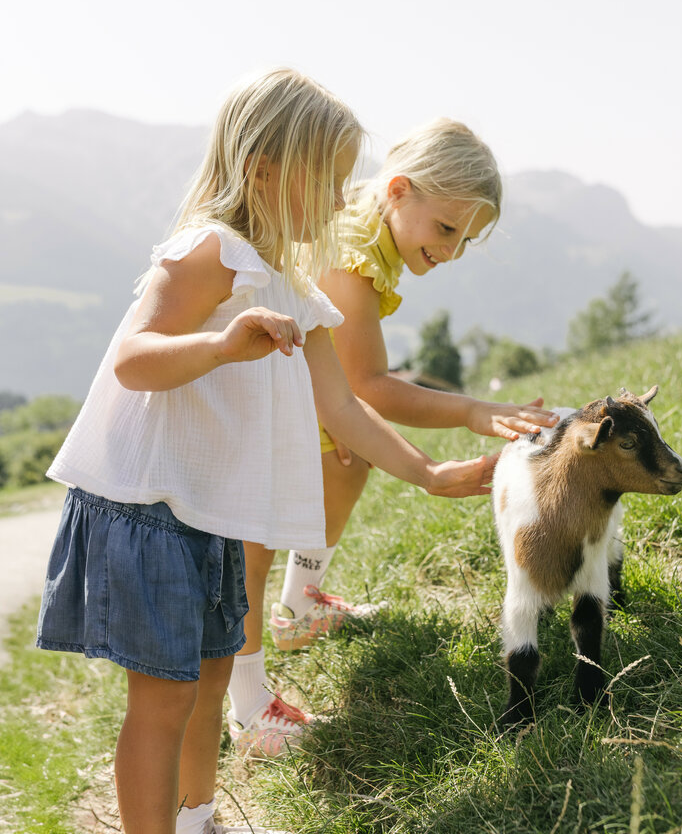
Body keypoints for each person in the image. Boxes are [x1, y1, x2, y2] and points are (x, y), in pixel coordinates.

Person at [35, 69, 495, 834]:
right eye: (329, 179)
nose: (340, 198)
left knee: (214, 677)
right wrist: (218, 345)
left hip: (207, 511)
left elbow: (340, 405)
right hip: (145, 507)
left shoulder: (291, 288)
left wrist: (427, 473)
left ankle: (199, 819)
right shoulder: (209, 250)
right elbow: (133, 359)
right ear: (264, 168)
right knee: (163, 700)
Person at [227, 118, 559, 757]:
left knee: (349, 462)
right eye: (446, 229)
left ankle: (301, 609)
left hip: (292, 377)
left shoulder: (374, 231)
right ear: (400, 191)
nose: (454, 249)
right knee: (253, 545)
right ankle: (248, 707)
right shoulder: (352, 250)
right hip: (256, 390)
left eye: (467, 237)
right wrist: (469, 411)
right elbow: (368, 384)